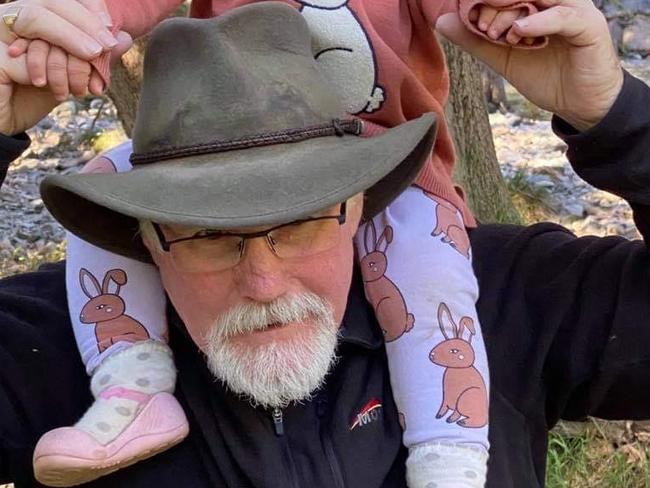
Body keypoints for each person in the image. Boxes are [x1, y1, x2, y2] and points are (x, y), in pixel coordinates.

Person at [0, 2, 646, 488]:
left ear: (361, 200)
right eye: (207, 234)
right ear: (145, 235)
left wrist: (615, 118)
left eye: (301, 221)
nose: (263, 281)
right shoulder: (62, 345)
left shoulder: (506, 301)